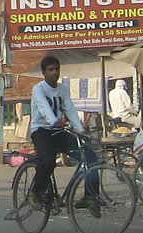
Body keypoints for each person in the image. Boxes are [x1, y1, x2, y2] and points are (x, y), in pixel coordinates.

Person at [28, 54, 98, 211]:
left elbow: (70, 109)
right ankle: (36, 193)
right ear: (44, 73)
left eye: (57, 69)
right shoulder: (38, 89)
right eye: (50, 70)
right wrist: (53, 121)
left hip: (59, 130)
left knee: (90, 157)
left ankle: (90, 197)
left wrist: (80, 130)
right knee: (48, 161)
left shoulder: (63, 89)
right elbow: (44, 107)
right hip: (41, 131)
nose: (54, 72)